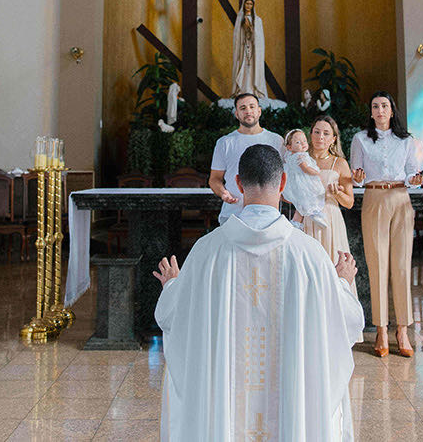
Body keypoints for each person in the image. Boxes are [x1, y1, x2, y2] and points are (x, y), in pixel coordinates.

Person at [155, 144, 364, 440]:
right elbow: (348, 321)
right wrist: (341, 283)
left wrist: (173, 285)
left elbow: (172, 315)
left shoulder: (208, 251)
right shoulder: (309, 254)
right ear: (283, 183)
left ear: (238, 183)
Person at [349, 91, 423, 357]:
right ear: (370, 112)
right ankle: (381, 329)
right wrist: (357, 177)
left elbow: (414, 172)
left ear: (392, 111)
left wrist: (415, 179)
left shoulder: (405, 141)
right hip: (374, 196)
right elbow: (355, 177)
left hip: (401, 197)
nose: (380, 110)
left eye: (385, 106)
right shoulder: (360, 139)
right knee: (377, 263)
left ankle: (402, 330)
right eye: (375, 106)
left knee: (402, 265)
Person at [300, 115, 356, 297]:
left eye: (326, 133)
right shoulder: (300, 160)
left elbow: (349, 202)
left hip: (331, 221)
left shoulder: (339, 163)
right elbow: (286, 193)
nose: (320, 137)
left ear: (333, 139)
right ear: (311, 134)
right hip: (305, 219)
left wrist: (337, 193)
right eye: (317, 132)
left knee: (333, 265)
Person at [209, 93, 282, 223]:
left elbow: (285, 174)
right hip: (234, 213)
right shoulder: (225, 142)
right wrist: (224, 194)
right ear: (236, 114)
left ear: (259, 111)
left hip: (268, 215)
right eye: (243, 108)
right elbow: (214, 179)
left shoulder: (276, 140)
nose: (248, 111)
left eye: (252, 107)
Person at [280, 129, 334, 228]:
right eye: (298, 142)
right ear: (289, 147)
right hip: (304, 182)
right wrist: (316, 173)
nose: (303, 143)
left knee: (301, 204)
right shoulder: (300, 156)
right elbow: (305, 168)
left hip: (295, 183)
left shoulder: (289, 156)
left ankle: (296, 222)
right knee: (313, 194)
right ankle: (314, 213)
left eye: (304, 140)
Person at [231, 0, 267, 99]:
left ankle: (253, 89)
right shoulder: (239, 19)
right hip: (243, 49)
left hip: (253, 50)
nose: (249, 5)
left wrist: (251, 29)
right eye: (247, 3)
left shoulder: (258, 20)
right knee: (243, 67)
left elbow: (259, 39)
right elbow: (237, 37)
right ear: (243, 4)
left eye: (251, 4)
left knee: (252, 68)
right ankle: (242, 90)